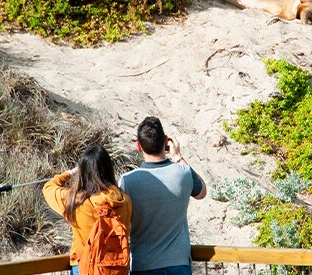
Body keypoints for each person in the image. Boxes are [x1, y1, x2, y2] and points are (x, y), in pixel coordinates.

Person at [119, 116, 207, 275]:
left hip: (142, 264)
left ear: (139, 146)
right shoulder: (183, 174)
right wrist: (178, 157)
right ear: (166, 141)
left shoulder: (127, 181)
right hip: (178, 263)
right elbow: (202, 192)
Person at [44, 145, 133, 275]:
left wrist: (70, 173)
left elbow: (48, 187)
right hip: (116, 268)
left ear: (83, 172)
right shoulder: (124, 200)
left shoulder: (76, 201)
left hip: (84, 266)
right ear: (109, 169)